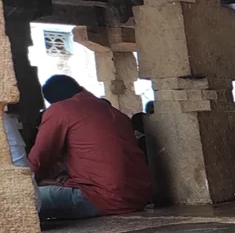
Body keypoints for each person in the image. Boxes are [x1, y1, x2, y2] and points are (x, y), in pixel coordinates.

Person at [27, 75, 153, 220]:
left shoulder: (60, 109)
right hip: (138, 197)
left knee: (16, 200)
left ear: (53, 101)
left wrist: (36, 180)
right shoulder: (113, 111)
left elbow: (38, 159)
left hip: (102, 198)